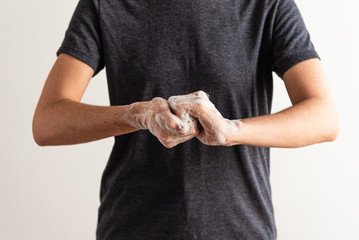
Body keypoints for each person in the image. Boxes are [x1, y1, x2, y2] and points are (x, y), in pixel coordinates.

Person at [32, 0, 339, 239]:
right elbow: (48, 121)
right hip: (132, 228)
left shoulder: (267, 5)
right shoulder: (106, 5)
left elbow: (324, 117)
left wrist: (232, 131)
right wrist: (136, 115)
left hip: (242, 230)